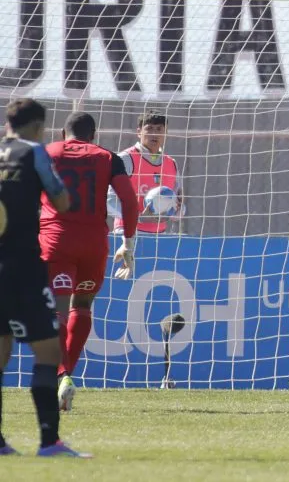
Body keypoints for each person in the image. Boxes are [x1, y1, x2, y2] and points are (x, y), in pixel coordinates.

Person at [0, 98, 89, 457]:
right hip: (23, 266)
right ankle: (49, 442)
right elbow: (62, 200)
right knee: (49, 351)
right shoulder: (34, 152)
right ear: (38, 125)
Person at [39, 111, 139, 412]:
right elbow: (130, 201)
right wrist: (128, 242)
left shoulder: (45, 153)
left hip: (55, 240)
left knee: (55, 310)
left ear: (62, 133)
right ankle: (66, 376)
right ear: (93, 136)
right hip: (94, 243)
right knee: (81, 306)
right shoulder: (108, 157)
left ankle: (62, 375)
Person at [107, 110, 183, 245]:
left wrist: (178, 209)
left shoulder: (171, 163)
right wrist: (139, 218)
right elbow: (108, 201)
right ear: (139, 132)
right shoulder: (125, 159)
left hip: (161, 236)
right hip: (127, 235)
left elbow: (178, 210)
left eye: (159, 129)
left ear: (165, 133)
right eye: (149, 129)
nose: (154, 134)